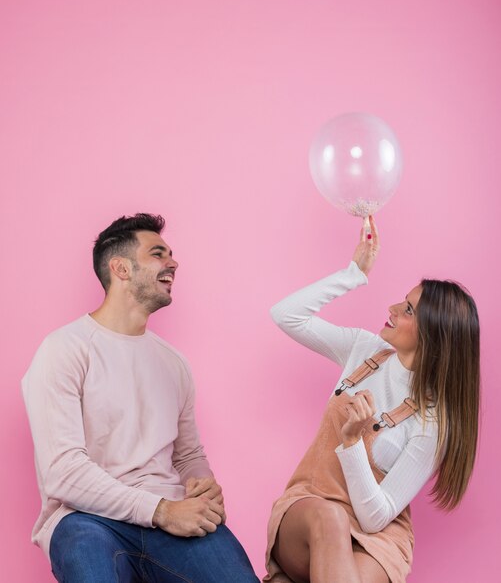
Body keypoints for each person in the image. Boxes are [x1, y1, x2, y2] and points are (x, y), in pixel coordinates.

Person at [22, 213, 259, 583]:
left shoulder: (173, 363)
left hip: (170, 515)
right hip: (86, 518)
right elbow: (64, 473)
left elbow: (189, 455)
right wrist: (161, 510)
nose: (173, 262)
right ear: (121, 268)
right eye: (157, 253)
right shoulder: (63, 350)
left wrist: (202, 484)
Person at [264, 216, 480, 583]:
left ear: (434, 336)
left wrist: (352, 444)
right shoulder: (364, 349)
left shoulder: (434, 423)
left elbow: (376, 517)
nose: (393, 308)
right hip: (310, 509)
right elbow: (286, 315)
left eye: (408, 310)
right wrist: (353, 273)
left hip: (378, 535)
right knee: (330, 519)